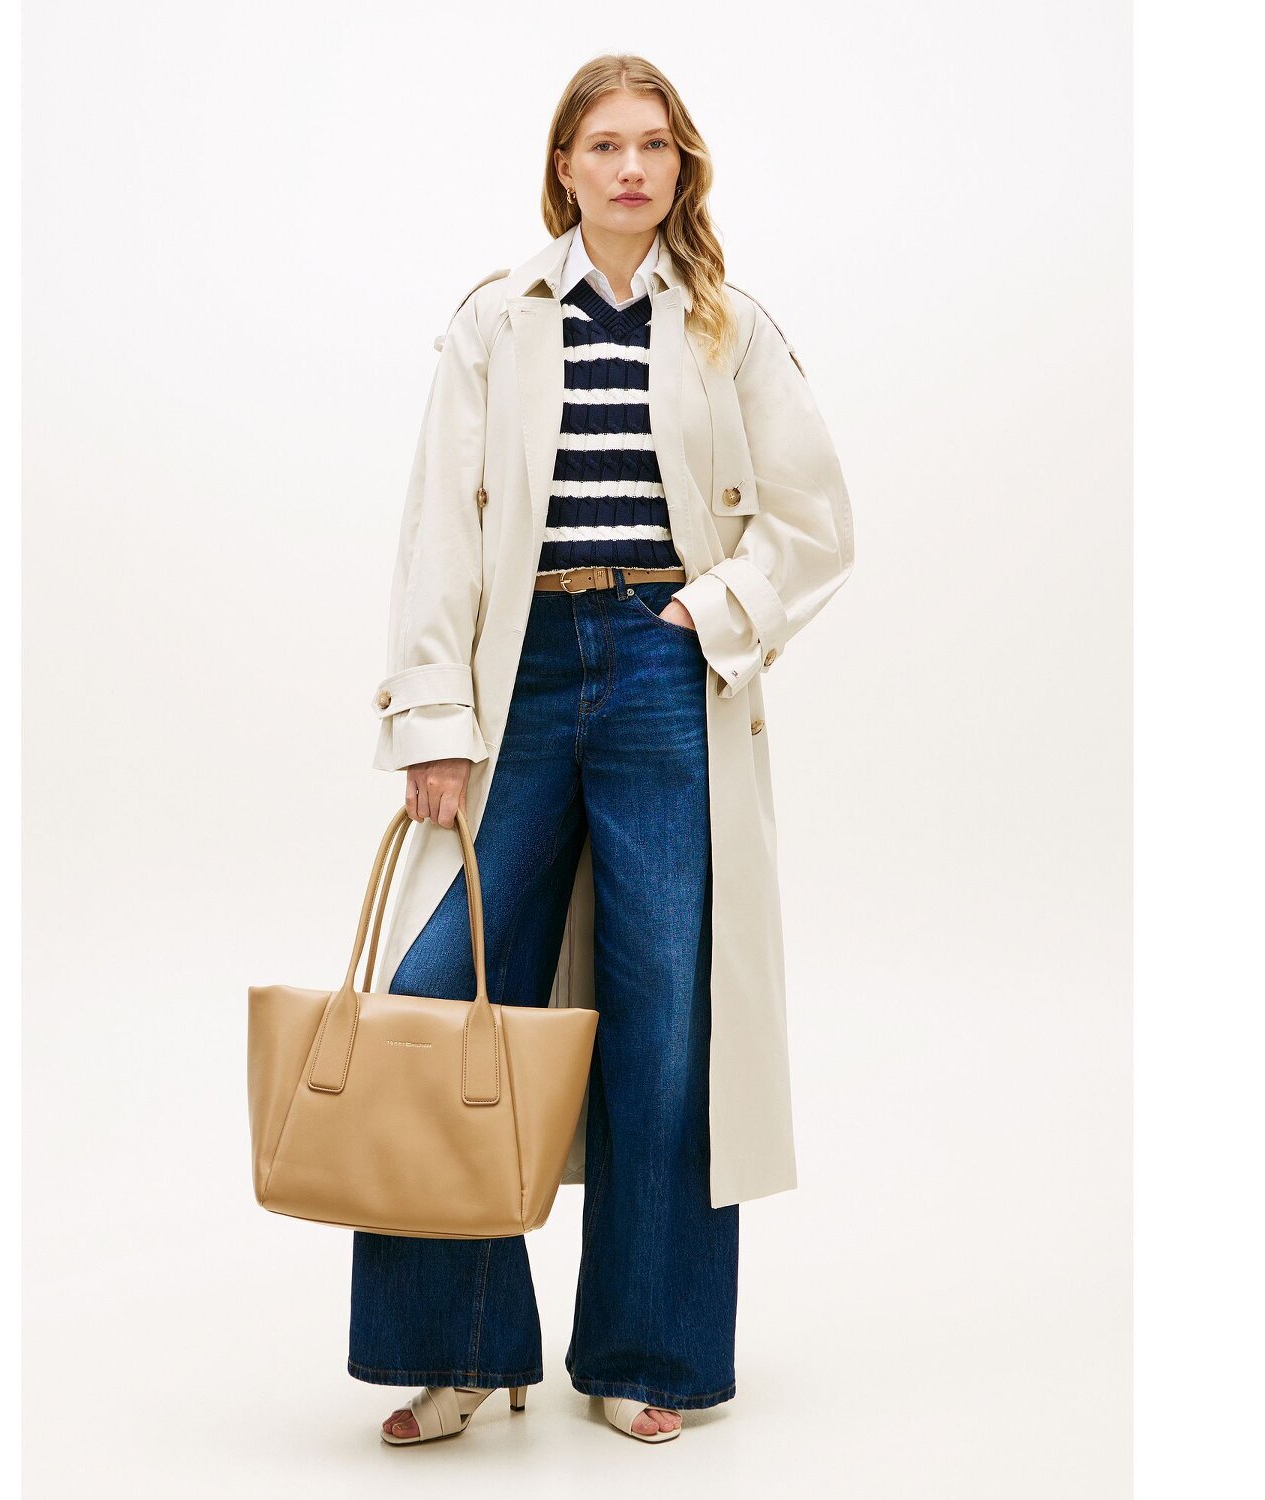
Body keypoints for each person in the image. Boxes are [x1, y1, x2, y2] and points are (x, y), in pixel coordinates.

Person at [351, 53, 855, 1446]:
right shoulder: (497, 320)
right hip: (516, 676)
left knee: (665, 1017)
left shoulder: (728, 325)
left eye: (654, 146)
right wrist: (433, 725)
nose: (631, 168)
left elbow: (814, 521)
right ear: (563, 167)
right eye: (604, 145)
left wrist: (708, 612)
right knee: (439, 1000)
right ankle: (461, 1347)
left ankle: (645, 1353)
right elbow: (439, 530)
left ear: (681, 168)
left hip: (658, 672)